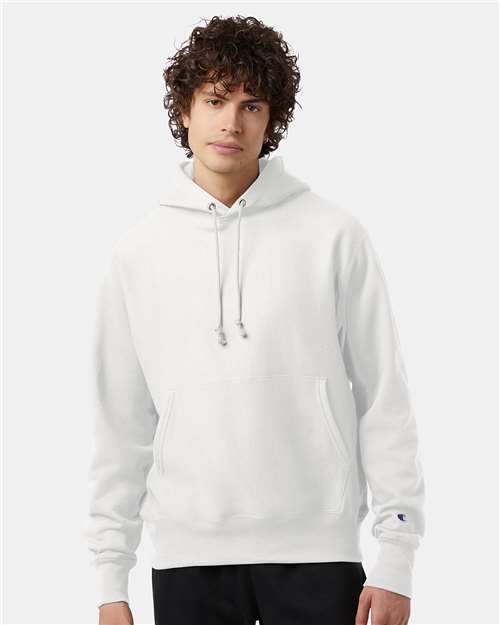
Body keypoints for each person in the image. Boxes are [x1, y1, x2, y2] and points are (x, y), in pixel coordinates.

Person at [83, 14, 425, 625]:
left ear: (271, 121)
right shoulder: (138, 252)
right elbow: (121, 422)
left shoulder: (333, 235)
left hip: (318, 553)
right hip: (188, 558)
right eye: (215, 101)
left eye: (251, 106)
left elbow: (383, 398)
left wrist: (396, 556)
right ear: (185, 111)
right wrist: (111, 578)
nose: (231, 123)